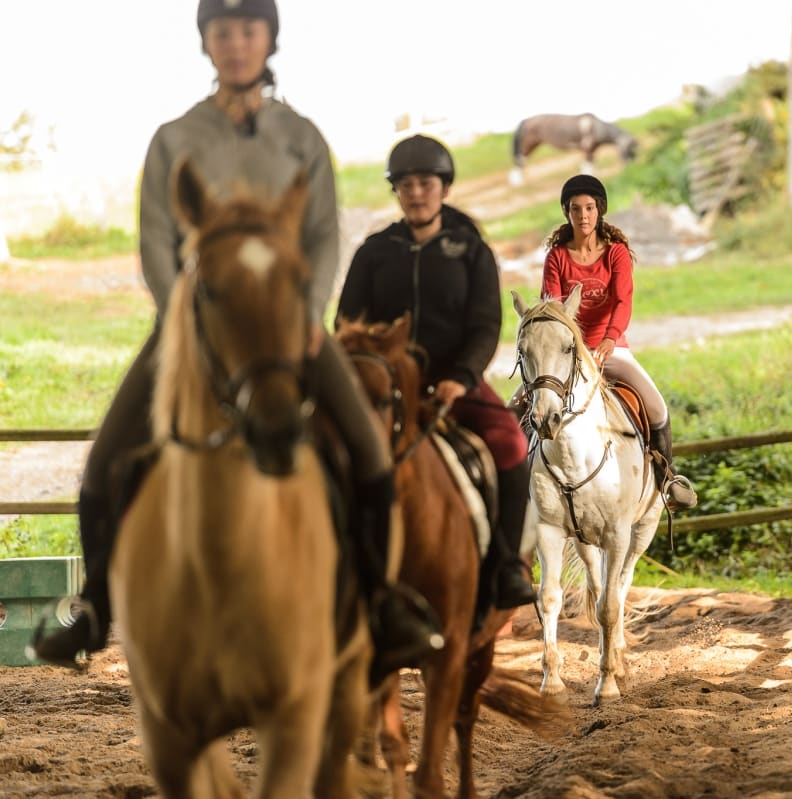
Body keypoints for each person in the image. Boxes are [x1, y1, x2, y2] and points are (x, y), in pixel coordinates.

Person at [31, 0, 441, 682]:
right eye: (222, 31)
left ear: (269, 38)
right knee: (104, 459)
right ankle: (95, 607)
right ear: (206, 42)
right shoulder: (175, 137)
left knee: (370, 451)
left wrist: (306, 318)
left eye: (249, 29)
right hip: (195, 327)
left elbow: (321, 237)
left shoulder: (301, 137)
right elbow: (156, 241)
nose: (236, 42)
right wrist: (184, 322)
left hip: (289, 329)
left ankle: (381, 601)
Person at [337, 134, 538, 615]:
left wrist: (463, 376)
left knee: (510, 441)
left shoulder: (471, 251)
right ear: (397, 192)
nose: (416, 192)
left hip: (454, 382)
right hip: (386, 388)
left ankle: (509, 564)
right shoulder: (373, 252)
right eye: (405, 185)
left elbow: (486, 324)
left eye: (425, 182)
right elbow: (346, 323)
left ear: (443, 187)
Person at [536, 173, 697, 511]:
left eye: (590, 208)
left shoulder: (616, 254)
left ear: (600, 211)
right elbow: (551, 306)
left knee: (656, 406)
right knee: (521, 403)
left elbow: (623, 301)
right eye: (576, 209)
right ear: (566, 212)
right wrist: (573, 349)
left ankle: (668, 479)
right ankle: (516, 482)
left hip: (611, 349)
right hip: (568, 355)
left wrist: (608, 342)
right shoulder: (556, 257)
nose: (583, 216)